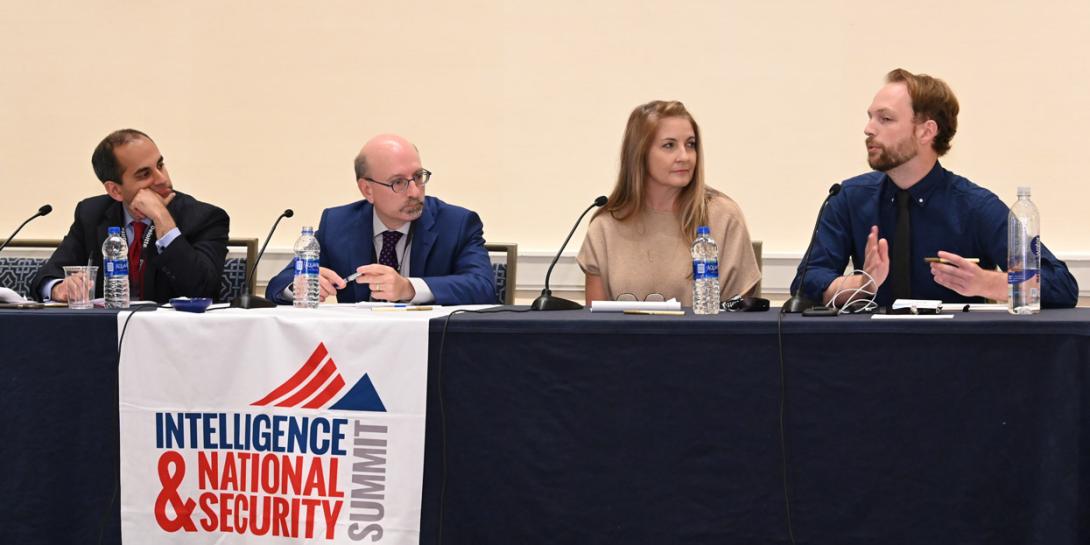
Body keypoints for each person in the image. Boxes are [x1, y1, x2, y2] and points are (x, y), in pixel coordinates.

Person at [791, 68, 1078, 308]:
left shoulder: (975, 207)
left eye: (885, 118)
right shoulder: (848, 199)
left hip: (957, 361)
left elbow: (1061, 285)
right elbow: (805, 284)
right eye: (869, 117)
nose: (868, 129)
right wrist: (862, 284)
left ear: (926, 131)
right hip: (867, 358)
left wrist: (990, 283)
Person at [265, 134, 496, 305]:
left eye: (418, 177)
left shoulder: (456, 224)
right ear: (367, 190)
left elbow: (483, 287)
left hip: (432, 351)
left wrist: (409, 288)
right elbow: (278, 285)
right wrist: (299, 286)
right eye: (398, 182)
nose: (414, 191)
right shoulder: (337, 224)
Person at [578, 100, 761, 306]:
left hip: (703, 339)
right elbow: (595, 328)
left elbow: (739, 326)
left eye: (690, 145)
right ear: (639, 154)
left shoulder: (723, 217)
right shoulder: (605, 225)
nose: (684, 157)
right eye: (669, 145)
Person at [31, 129, 229, 304]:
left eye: (160, 165)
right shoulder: (91, 214)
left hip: (174, 339)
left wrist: (163, 219)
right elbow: (46, 276)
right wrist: (59, 288)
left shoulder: (205, 218)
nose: (162, 179)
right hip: (106, 336)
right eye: (144, 174)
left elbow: (204, 290)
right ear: (115, 190)